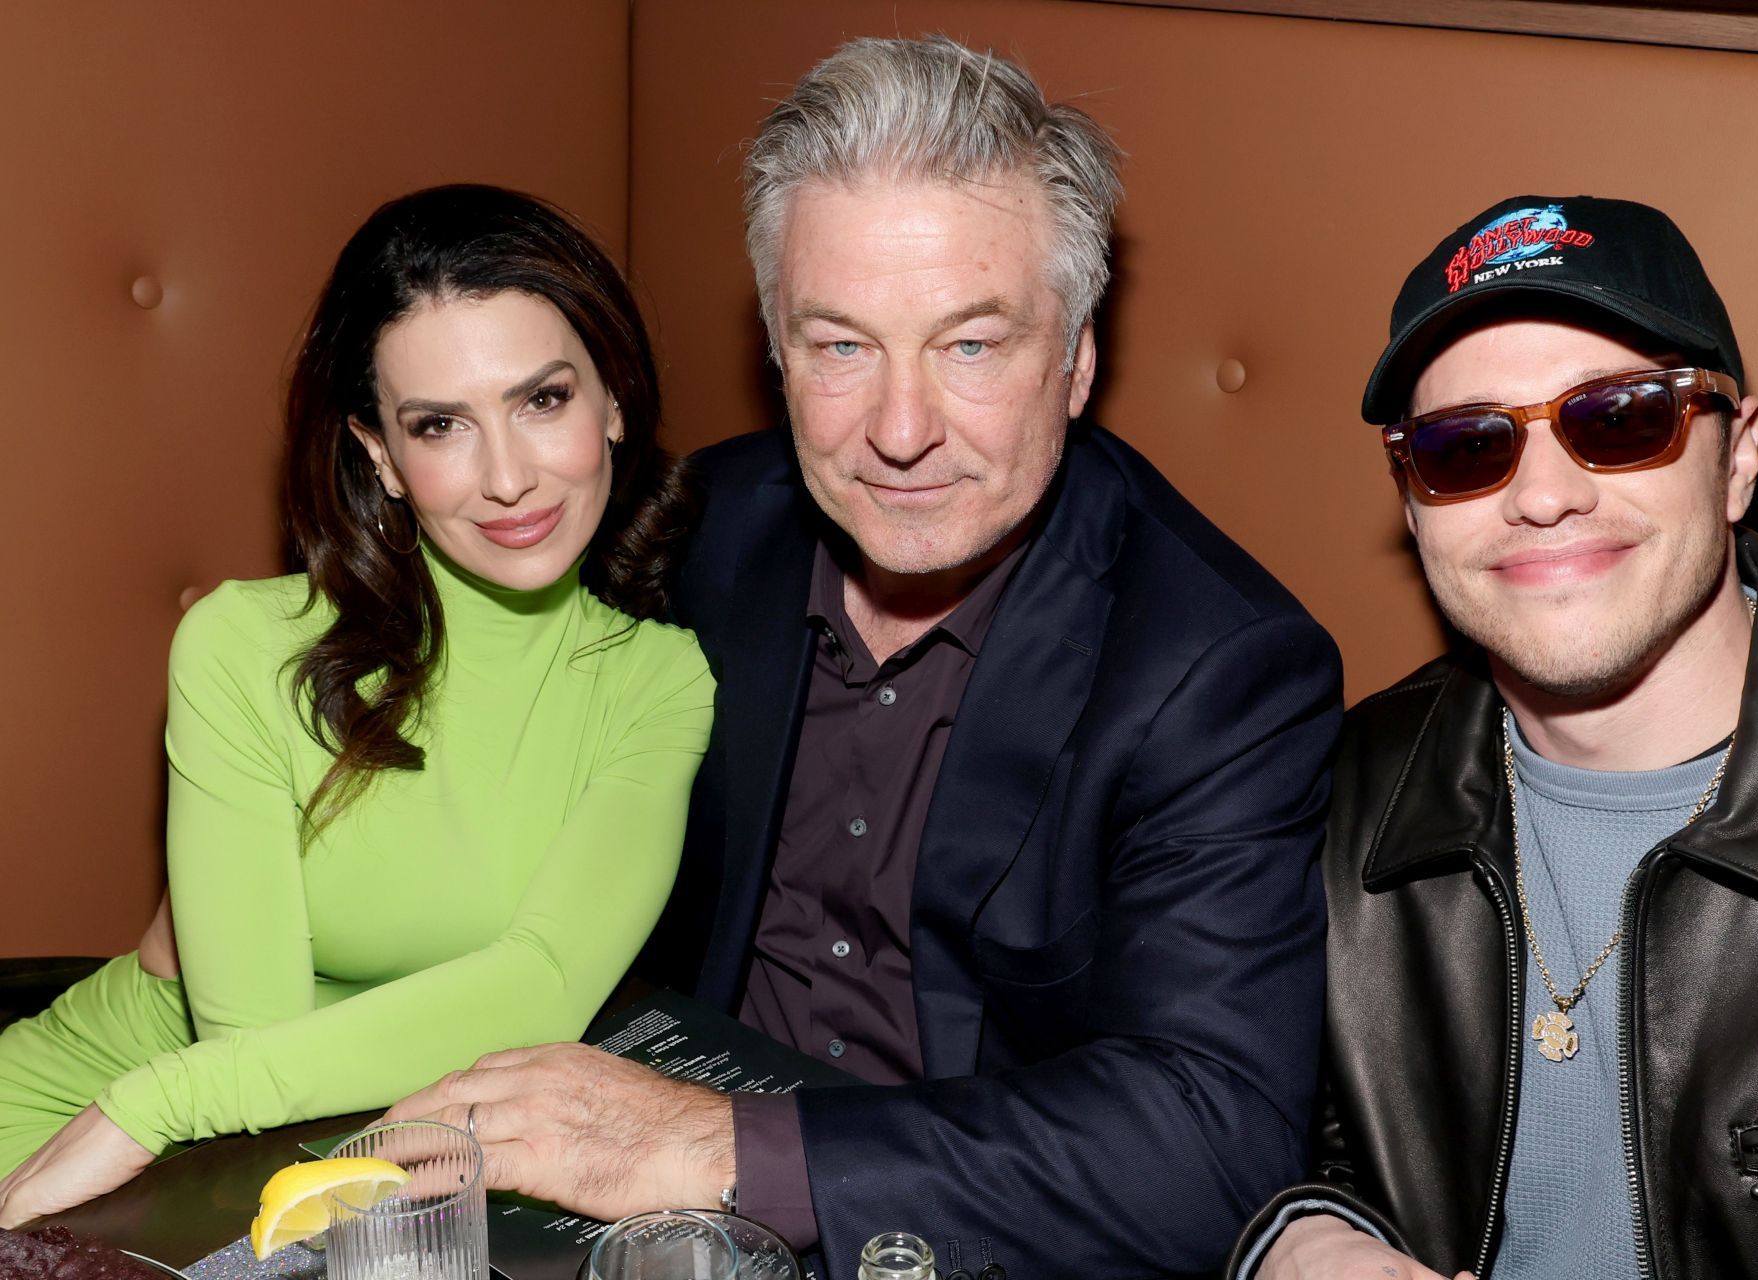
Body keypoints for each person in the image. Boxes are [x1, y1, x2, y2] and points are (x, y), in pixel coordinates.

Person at [387, 36, 1342, 1279]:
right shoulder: (699, 531)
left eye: (972, 346)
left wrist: (710, 1145)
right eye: (841, 346)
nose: (899, 432)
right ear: (777, 350)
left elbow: (1210, 1141)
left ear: (1078, 358)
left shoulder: (1216, 667)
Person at [1228, 195, 1758, 1280]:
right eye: (1467, 447)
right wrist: (1303, 1239)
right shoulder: (1339, 788)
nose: (1542, 497)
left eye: (1619, 418)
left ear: (1737, 457)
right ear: (1411, 504)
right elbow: (1273, 1131)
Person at [0, 184, 714, 1225]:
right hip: (98, 1116)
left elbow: (543, 989)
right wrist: (144, 1102)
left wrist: (151, 1107)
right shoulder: (246, 646)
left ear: (612, 399)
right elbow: (247, 1050)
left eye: (543, 400)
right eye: (440, 424)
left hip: (248, 1131)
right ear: (380, 452)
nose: (509, 475)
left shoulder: (658, 680)